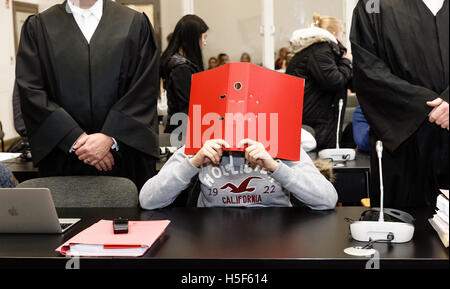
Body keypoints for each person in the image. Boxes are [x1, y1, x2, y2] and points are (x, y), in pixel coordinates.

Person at [15, 0, 160, 190]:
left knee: (125, 215)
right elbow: (30, 90)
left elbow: (144, 89)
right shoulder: (39, 27)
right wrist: (74, 139)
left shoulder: (134, 23)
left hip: (123, 158)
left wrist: (110, 137)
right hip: (63, 158)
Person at [351, 0, 449, 208]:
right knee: (403, 230)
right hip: (402, 149)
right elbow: (368, 71)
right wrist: (429, 106)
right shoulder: (373, 6)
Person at [140, 139, 337, 210]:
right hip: (211, 241)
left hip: (275, 238)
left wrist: (275, 166)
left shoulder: (281, 142)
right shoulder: (200, 142)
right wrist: (194, 162)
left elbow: (327, 199)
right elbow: (148, 200)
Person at [286, 13, 353, 151]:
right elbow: (334, 81)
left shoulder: (312, 49)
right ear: (334, 33)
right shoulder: (321, 49)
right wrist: (347, 61)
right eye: (342, 32)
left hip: (310, 117)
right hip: (316, 121)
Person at [161, 15, 208, 134]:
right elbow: (188, 108)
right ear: (193, 38)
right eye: (203, 38)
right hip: (180, 135)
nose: (205, 43)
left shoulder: (180, 65)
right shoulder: (181, 68)